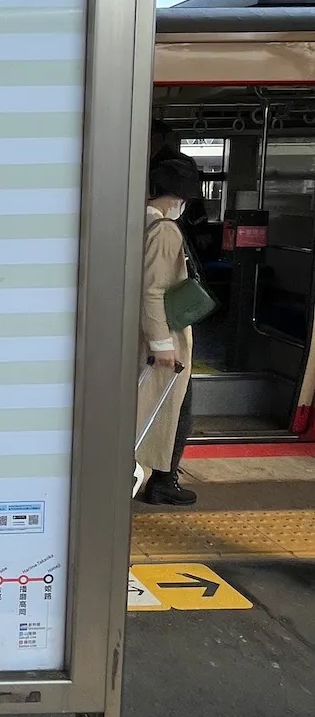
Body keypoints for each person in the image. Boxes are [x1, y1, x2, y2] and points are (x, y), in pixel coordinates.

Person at [136, 154, 204, 506]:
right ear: (180, 195)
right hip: (162, 337)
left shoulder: (138, 220)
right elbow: (154, 290)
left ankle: (161, 478)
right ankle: (163, 481)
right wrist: (162, 344)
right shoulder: (164, 229)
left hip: (141, 334)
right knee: (177, 411)